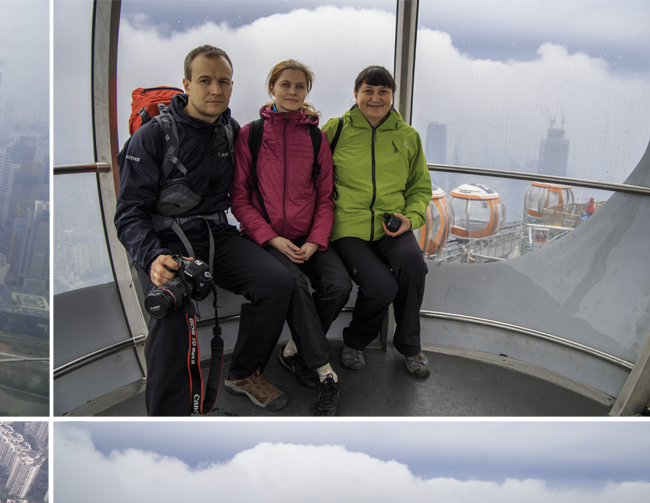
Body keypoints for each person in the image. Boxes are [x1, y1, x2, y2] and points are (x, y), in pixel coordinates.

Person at [115, 44, 294, 415]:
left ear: (232, 86)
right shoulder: (151, 138)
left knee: (276, 282)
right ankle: (169, 419)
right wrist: (152, 258)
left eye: (223, 81)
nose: (216, 89)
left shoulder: (229, 130)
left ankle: (243, 373)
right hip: (162, 242)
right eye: (205, 81)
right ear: (187, 84)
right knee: (171, 313)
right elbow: (129, 213)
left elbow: (248, 190)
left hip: (215, 234)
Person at [232, 59, 347, 416]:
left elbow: (325, 197)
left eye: (300, 86)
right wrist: (271, 238)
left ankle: (294, 352)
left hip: (307, 237)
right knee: (294, 283)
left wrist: (315, 240)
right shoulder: (250, 133)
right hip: (268, 240)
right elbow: (239, 198)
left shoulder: (315, 137)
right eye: (286, 85)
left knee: (338, 285)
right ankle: (325, 372)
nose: (293, 92)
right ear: (272, 88)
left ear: (307, 92)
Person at [323, 65, 433, 378]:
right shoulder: (336, 130)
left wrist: (409, 220)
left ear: (392, 96)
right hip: (348, 227)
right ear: (355, 94)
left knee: (412, 264)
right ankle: (356, 342)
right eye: (368, 91)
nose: (375, 98)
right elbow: (312, 176)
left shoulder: (407, 136)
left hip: (392, 224)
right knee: (381, 286)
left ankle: (410, 346)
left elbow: (419, 188)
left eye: (383, 91)